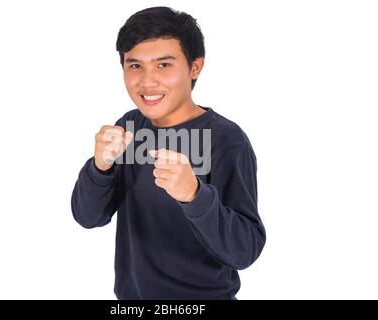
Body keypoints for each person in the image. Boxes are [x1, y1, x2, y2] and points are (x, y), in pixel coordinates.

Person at [71, 6, 266, 300]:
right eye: (135, 65)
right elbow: (88, 217)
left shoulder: (226, 140)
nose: (147, 81)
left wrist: (194, 195)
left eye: (163, 65)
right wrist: (100, 168)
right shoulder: (129, 127)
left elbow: (245, 250)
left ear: (195, 67)